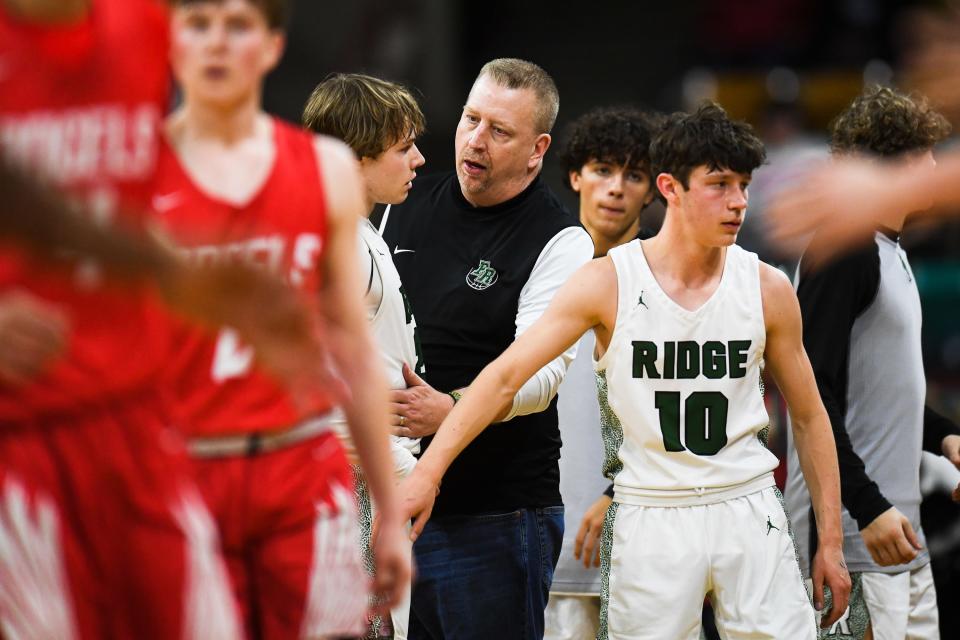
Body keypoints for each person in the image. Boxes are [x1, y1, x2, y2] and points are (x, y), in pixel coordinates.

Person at [400, 102, 853, 639]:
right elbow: (504, 377)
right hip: (650, 511)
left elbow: (809, 415)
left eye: (744, 186)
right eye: (720, 185)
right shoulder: (607, 281)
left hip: (747, 504)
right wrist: (428, 473)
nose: (738, 203)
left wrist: (830, 542)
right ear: (671, 187)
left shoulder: (767, 286)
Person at [153, 1, 410, 638]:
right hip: (185, 475)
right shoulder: (136, 173)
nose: (216, 44)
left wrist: (383, 503)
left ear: (271, 46)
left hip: (300, 470)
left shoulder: (323, 170)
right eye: (198, 25)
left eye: (237, 25)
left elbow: (352, 348)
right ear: (171, 43)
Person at [0, 0, 242, 637]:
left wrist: (208, 285)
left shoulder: (144, 27)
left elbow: (120, 207)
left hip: (137, 422)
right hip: (19, 436)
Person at [381, 58, 594, 638]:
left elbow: (541, 375)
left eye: (500, 131)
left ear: (537, 148)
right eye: (471, 119)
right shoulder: (402, 200)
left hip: (496, 514)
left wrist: (451, 407)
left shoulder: (561, 239)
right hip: (394, 498)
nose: (476, 139)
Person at [783, 86, 960, 640]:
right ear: (896, 162)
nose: (935, 164)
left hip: (899, 535)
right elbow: (811, 394)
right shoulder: (847, 250)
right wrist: (868, 507)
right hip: (855, 541)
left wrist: (947, 436)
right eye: (926, 151)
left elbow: (881, 392)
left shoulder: (889, 249)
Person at [302, 71, 427, 639]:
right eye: (404, 149)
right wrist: (404, 470)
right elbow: (316, 386)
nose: (419, 160)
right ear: (355, 158)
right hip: (342, 481)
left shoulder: (361, 230)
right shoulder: (328, 239)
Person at [545, 105, 660, 640]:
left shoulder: (667, 282)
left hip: (648, 534)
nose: (616, 188)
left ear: (654, 190)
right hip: (552, 536)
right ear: (575, 176)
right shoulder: (539, 269)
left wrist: (622, 489)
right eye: (602, 170)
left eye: (633, 175)